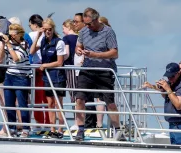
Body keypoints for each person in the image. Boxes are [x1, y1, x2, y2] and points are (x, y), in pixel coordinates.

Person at [74, 7, 123, 141]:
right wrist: (78, 50)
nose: (87, 26)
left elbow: (115, 53)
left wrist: (95, 54)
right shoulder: (83, 31)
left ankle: (119, 130)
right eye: (85, 23)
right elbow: (79, 45)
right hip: (87, 70)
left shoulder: (108, 32)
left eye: (89, 23)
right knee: (79, 99)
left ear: (96, 20)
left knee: (109, 102)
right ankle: (80, 130)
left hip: (104, 71)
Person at [144, 63, 181, 146]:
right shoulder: (173, 82)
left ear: (178, 73)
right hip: (174, 125)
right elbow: (168, 97)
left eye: (172, 76)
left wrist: (168, 88)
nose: (170, 79)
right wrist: (160, 88)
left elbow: (179, 105)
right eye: (168, 77)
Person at [37, 19, 67, 139]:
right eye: (45, 29)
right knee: (50, 103)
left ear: (53, 29)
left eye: (50, 29)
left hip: (58, 75)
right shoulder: (43, 41)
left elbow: (60, 62)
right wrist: (38, 36)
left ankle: (60, 128)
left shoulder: (59, 42)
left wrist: (45, 65)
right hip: (47, 76)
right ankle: (52, 128)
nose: (48, 32)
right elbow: (32, 50)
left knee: (58, 103)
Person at [2, 24, 33, 138]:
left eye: (13, 34)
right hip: (9, 76)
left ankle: (25, 128)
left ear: (19, 34)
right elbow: (2, 57)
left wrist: (9, 45)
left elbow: (16, 58)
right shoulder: (9, 44)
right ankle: (12, 127)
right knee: (9, 103)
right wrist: (3, 44)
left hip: (22, 77)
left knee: (22, 103)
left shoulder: (24, 44)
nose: (11, 36)